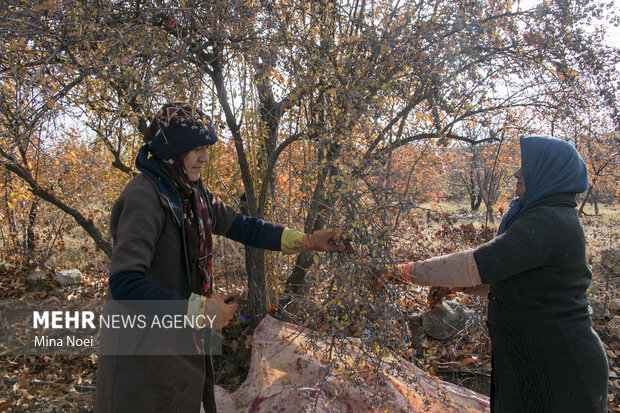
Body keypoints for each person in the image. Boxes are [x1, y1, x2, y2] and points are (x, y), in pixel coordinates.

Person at [94, 102, 351, 413]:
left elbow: (242, 226)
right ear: (171, 149)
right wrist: (199, 310)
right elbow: (124, 283)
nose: (204, 156)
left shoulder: (190, 190)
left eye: (206, 147)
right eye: (195, 148)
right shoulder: (144, 198)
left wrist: (308, 241)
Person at [384, 135, 608, 412]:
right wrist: (458, 287)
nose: (516, 173)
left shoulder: (548, 221)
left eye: (526, 165)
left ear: (546, 172)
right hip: (535, 359)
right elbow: (520, 281)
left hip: (559, 365)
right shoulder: (543, 216)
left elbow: (479, 264)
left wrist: (399, 273)